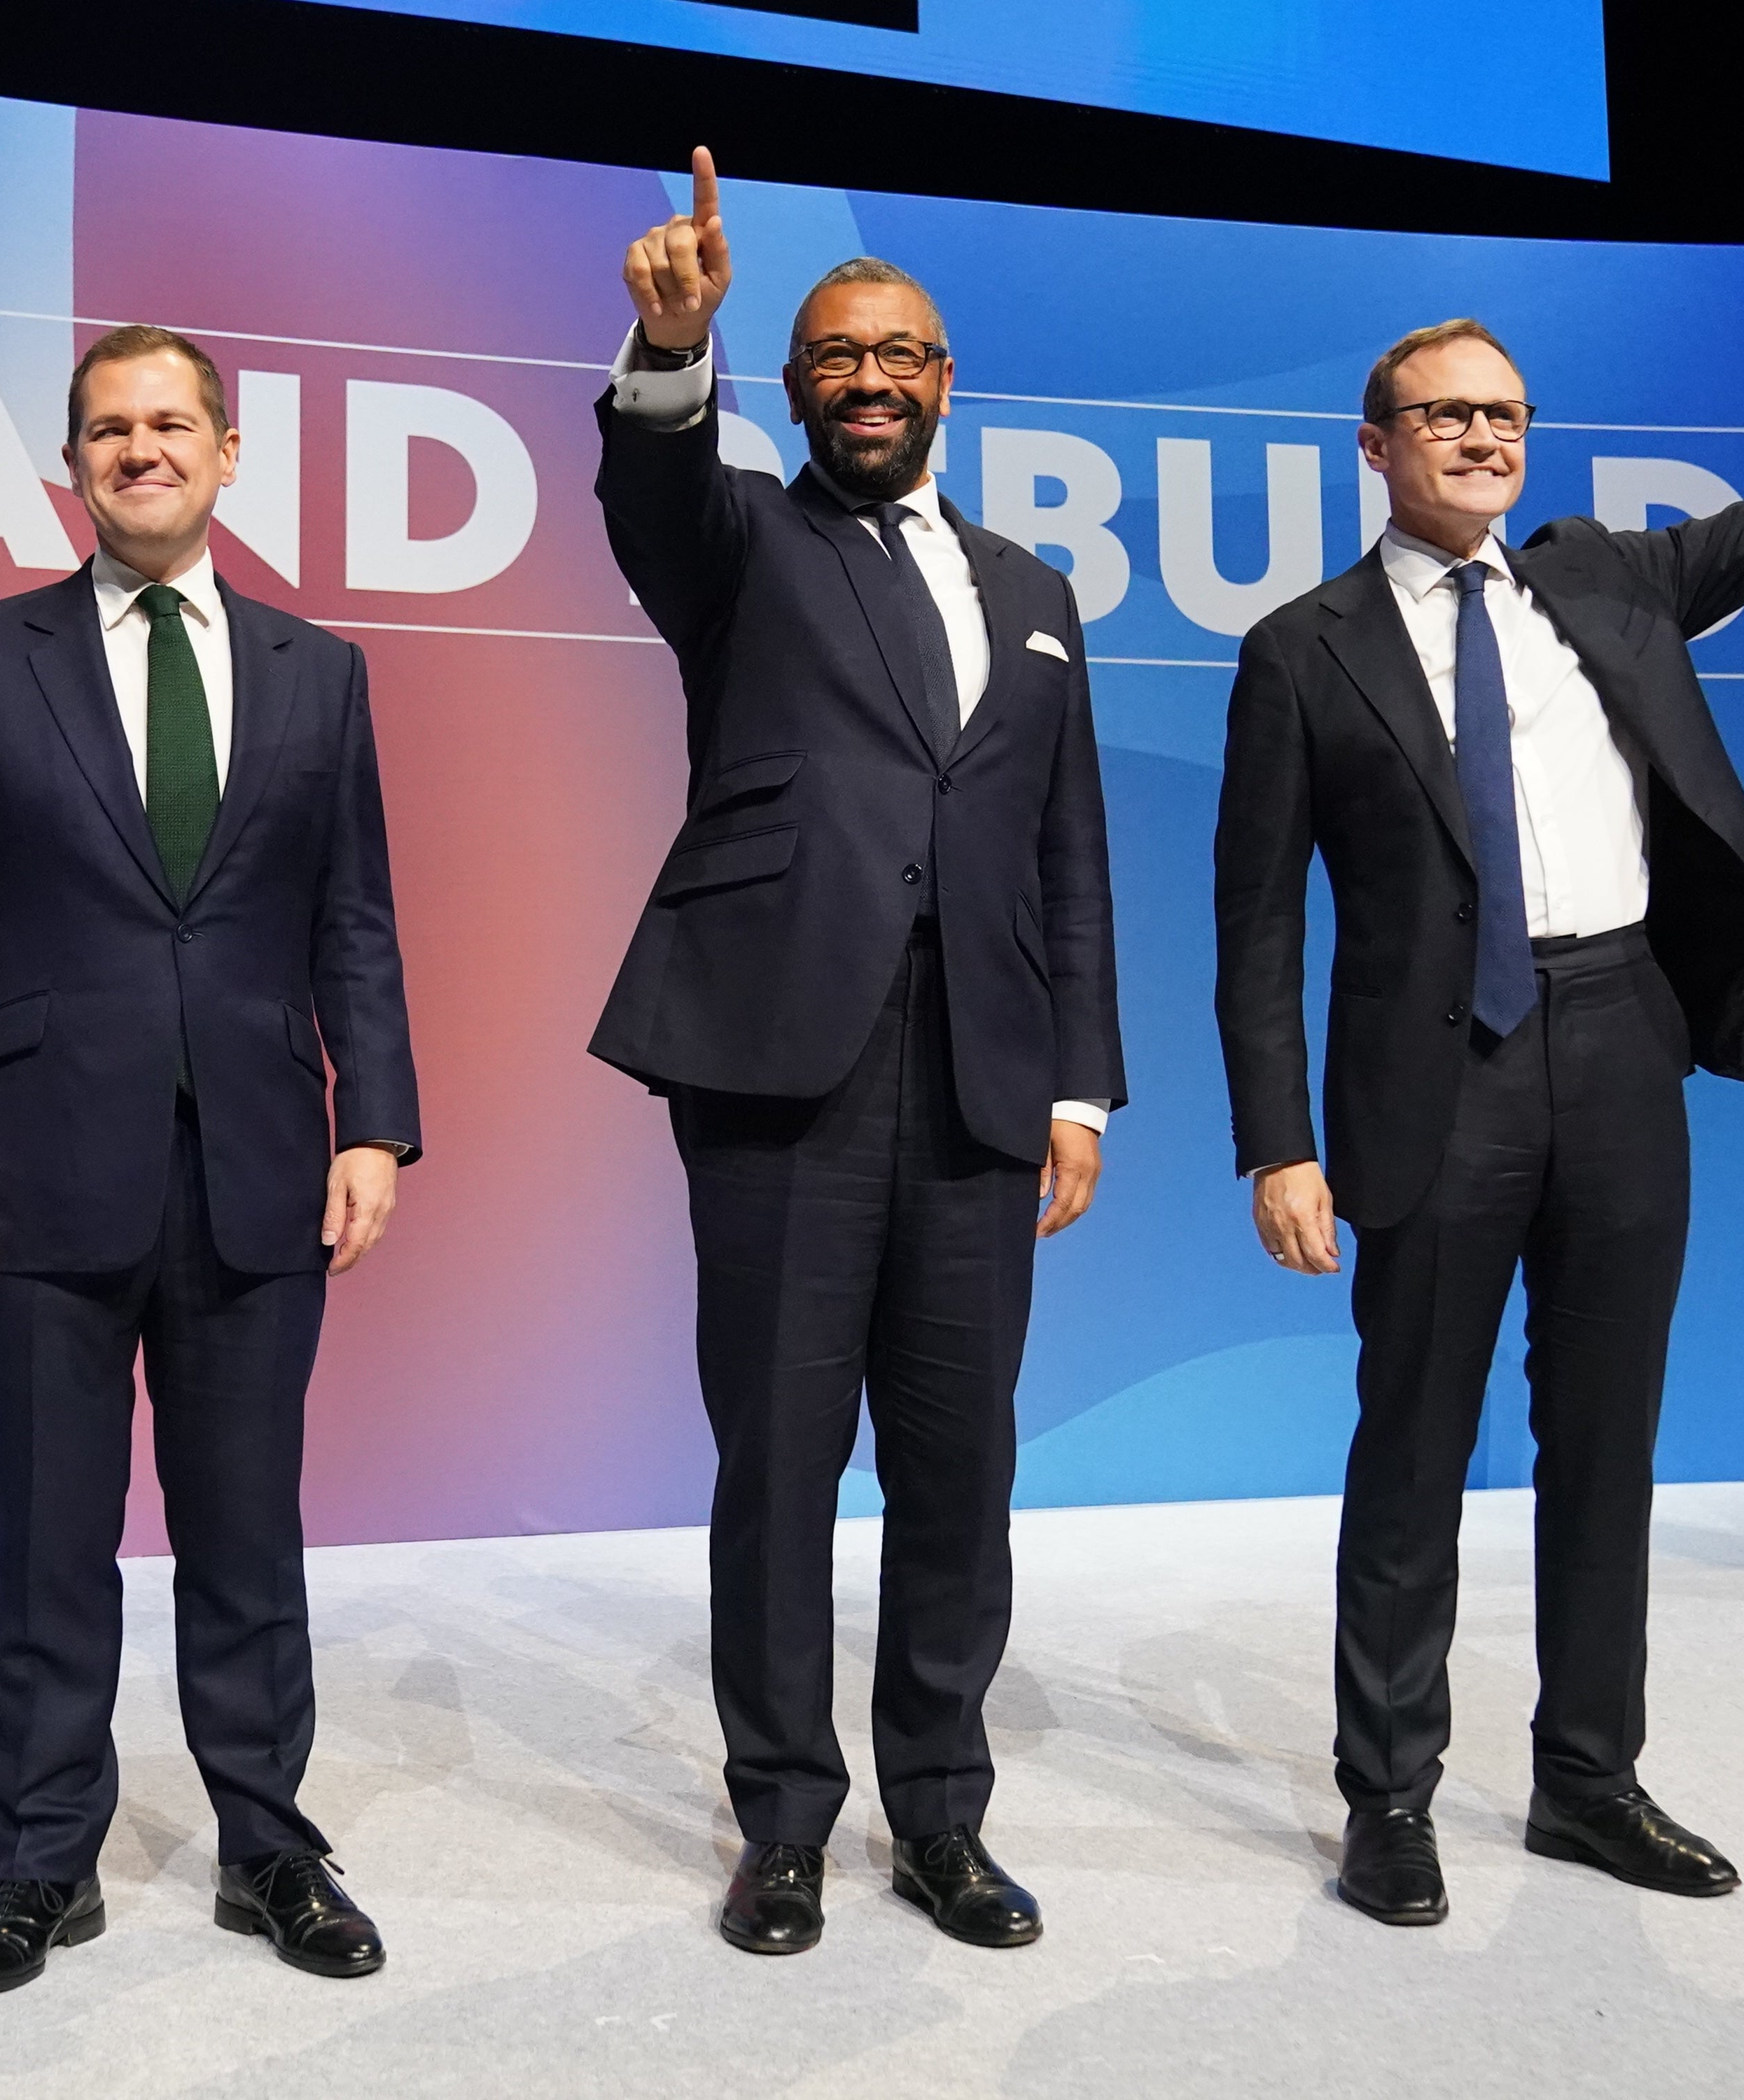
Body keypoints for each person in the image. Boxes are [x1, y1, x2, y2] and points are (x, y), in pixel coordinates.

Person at [1214, 132, 1744, 1926]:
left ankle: (1586, 1780)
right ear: (1376, 444)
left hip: (1620, 1039)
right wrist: (1277, 1138)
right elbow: (1253, 920)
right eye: (1445, 414)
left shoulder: (1609, 584)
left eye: (1505, 414)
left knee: (1605, 1438)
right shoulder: (1300, 653)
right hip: (1429, 1076)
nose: (1483, 437)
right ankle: (1387, 1799)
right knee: (1409, 1447)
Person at [594, 150, 1124, 1955]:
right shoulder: (744, 541)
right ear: (800, 381)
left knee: (960, 1467)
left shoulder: (1034, 586)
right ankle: (786, 1821)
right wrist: (676, 349)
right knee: (782, 1463)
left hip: (981, 1076)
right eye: (834, 357)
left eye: (900, 356)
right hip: (777, 1065)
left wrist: (1077, 1080)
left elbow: (1067, 849)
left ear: (946, 382)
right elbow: (656, 493)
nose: (870, 380)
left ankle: (943, 1818)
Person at [0, 326, 420, 1996]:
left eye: (170, 423)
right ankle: (42, 1862)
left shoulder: (320, 671)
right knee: (48, 1534)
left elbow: (356, 921)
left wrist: (377, 1119)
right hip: (28, 1166)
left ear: (229, 451)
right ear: (74, 463)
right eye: (108, 429)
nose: (140, 450)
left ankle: (270, 1845)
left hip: (257, 1152)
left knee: (249, 1533)